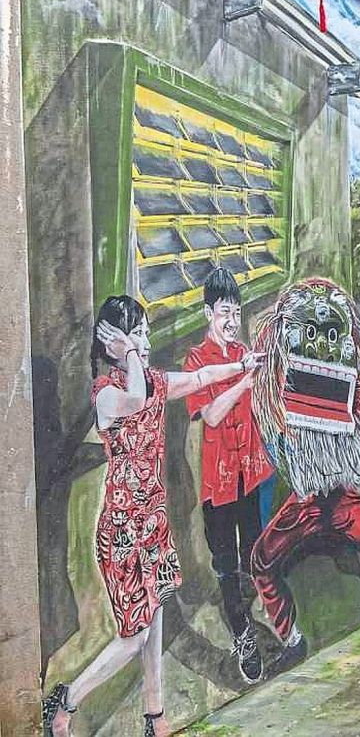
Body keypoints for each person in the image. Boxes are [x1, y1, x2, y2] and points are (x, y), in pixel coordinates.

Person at [43, 296, 264, 737]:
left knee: (156, 617)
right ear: (110, 343)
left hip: (152, 522)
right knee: (135, 636)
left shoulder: (154, 381)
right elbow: (138, 397)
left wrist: (243, 367)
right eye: (134, 334)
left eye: (144, 333)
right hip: (123, 528)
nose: (143, 342)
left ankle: (155, 716)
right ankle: (65, 700)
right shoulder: (105, 394)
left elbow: (200, 376)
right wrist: (127, 353)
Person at [182, 268, 273, 683]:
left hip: (251, 475)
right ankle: (243, 637)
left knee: (255, 552)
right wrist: (244, 379)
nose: (231, 320)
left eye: (236, 312)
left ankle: (253, 614)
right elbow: (213, 414)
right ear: (208, 314)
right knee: (225, 565)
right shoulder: (196, 361)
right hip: (218, 484)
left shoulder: (245, 352)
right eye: (224, 312)